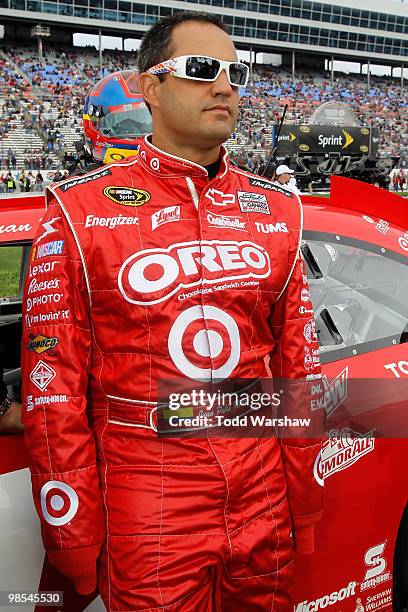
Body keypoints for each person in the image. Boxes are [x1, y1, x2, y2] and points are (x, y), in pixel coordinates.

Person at [22, 12, 323, 611]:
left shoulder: (279, 211)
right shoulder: (76, 214)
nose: (226, 86)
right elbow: (52, 393)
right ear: (151, 87)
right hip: (148, 499)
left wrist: (303, 498)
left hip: (263, 492)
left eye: (235, 72)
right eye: (203, 69)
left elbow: (298, 374)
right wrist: (74, 539)